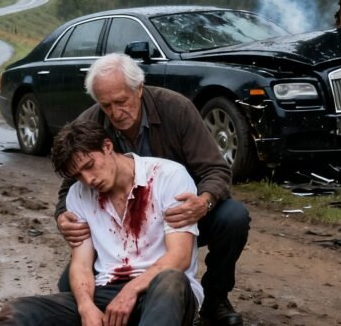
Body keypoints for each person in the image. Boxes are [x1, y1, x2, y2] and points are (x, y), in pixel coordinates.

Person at [55, 53, 249, 326]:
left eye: (121, 101)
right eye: (106, 105)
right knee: (69, 285)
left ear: (139, 88)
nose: (115, 113)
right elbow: (71, 184)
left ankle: (215, 298)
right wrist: (62, 215)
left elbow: (216, 169)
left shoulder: (176, 109)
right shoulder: (90, 123)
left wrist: (203, 202)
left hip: (180, 215)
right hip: (122, 228)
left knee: (233, 217)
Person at [0, 120, 202, 325]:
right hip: (107, 291)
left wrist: (130, 291)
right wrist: (86, 308)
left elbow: (180, 256)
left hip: (161, 292)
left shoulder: (167, 175)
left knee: (171, 280)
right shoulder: (78, 194)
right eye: (78, 175)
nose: (89, 180)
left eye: (89, 166)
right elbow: (81, 264)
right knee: (18, 311)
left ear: (107, 146)